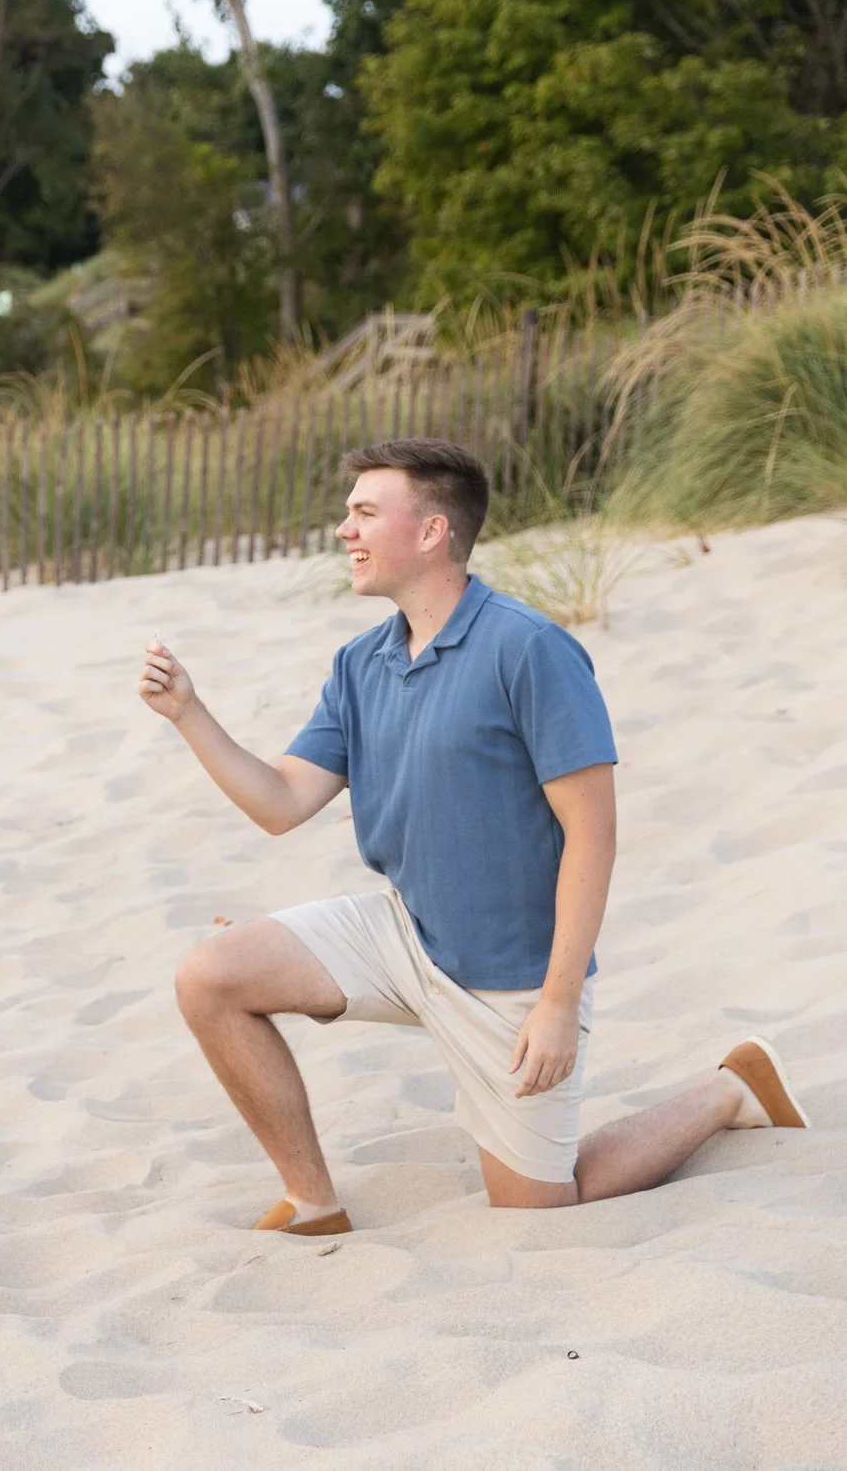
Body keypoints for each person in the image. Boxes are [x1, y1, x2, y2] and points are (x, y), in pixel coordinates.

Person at [138, 437, 805, 1235]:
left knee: (540, 1208)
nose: (344, 530)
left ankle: (729, 1090)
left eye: (364, 513)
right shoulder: (360, 663)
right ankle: (313, 1201)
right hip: (404, 932)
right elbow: (281, 802)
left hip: (513, 975)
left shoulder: (529, 648)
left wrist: (557, 1003)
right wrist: (188, 713)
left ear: (431, 532)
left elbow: (593, 835)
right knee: (210, 977)